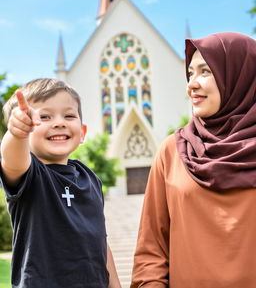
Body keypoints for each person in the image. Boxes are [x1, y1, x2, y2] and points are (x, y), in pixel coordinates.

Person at [130, 32, 256, 288]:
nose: (191, 84)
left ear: (239, 75)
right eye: (190, 73)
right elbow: (151, 249)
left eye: (205, 71)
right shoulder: (173, 150)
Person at [0, 78, 121, 288]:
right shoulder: (30, 175)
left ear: (82, 132)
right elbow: (11, 161)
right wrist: (16, 134)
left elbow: (100, 241)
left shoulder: (90, 179)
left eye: (69, 115)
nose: (59, 122)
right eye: (44, 117)